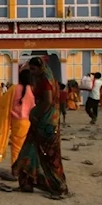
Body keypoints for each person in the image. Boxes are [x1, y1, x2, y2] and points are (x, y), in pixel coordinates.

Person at [12, 57, 68, 196]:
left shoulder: (45, 81)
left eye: (33, 69)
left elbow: (47, 101)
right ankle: (28, 182)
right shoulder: (42, 79)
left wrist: (36, 114)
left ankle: (57, 185)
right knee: (29, 150)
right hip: (42, 120)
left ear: (41, 68)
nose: (32, 72)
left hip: (46, 122)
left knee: (48, 154)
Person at [0, 69, 35, 165]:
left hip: (17, 121)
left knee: (16, 146)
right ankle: (26, 168)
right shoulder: (33, 89)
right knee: (28, 146)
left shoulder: (14, 88)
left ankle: (16, 168)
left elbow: (2, 101)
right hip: (29, 121)